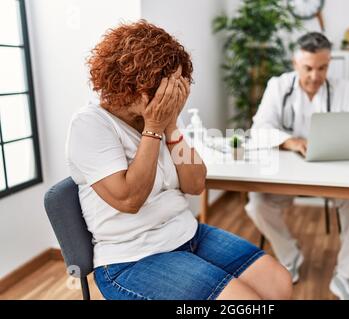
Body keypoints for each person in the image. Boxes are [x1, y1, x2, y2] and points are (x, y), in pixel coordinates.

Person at [66, 20, 292, 300]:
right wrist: (154, 127)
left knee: (279, 284)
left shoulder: (163, 115)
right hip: (132, 258)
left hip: (187, 232)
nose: (172, 95)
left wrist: (170, 126)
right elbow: (129, 201)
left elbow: (196, 184)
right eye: (166, 87)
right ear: (133, 85)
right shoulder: (90, 125)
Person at [245, 32, 349, 300]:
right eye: (308, 68)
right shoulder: (278, 86)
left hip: (334, 176)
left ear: (330, 63)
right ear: (295, 63)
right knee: (257, 202)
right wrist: (291, 141)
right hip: (288, 177)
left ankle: (347, 277)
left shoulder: (344, 89)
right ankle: (290, 256)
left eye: (322, 68)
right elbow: (260, 130)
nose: (315, 76)